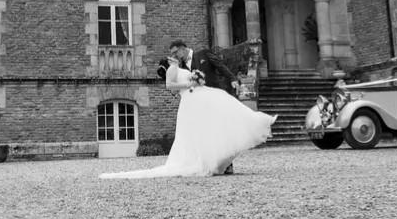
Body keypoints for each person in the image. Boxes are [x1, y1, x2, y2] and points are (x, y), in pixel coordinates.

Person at [101, 39, 275, 179]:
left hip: (213, 97)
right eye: (172, 54)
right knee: (205, 133)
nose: (174, 56)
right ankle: (211, 162)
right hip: (196, 104)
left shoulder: (203, 54)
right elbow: (174, 85)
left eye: (175, 52)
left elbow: (220, 66)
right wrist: (189, 85)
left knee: (221, 129)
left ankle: (226, 162)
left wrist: (232, 79)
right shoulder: (180, 67)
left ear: (183, 49)